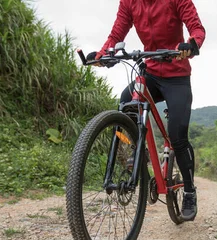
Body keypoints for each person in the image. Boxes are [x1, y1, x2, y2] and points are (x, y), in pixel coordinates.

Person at [88, 0, 205, 221]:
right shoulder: (129, 2)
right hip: (150, 72)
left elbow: (196, 28)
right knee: (126, 101)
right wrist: (104, 54)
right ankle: (135, 153)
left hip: (177, 76)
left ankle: (189, 191)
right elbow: (117, 32)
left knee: (178, 135)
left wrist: (191, 44)